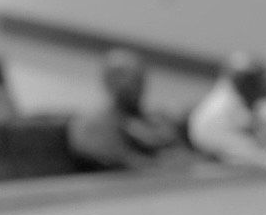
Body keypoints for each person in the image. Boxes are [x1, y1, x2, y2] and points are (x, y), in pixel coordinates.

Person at [65, 47, 193, 171]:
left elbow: (185, 157)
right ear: (108, 81)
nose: (134, 84)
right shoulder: (93, 124)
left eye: (139, 77)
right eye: (121, 76)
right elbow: (129, 167)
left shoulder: (157, 120)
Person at [187, 51, 266, 169]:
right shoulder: (219, 110)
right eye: (254, 81)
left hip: (231, 147)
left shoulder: (250, 101)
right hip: (215, 149)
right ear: (242, 81)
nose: (262, 87)